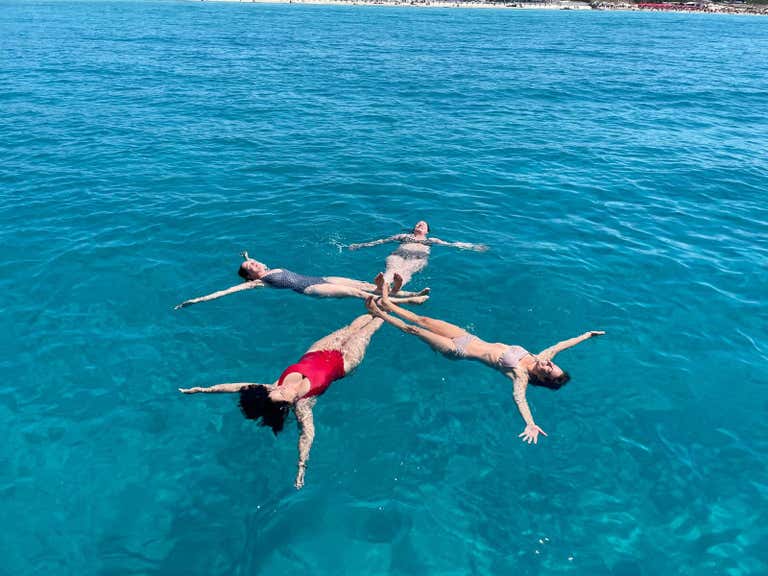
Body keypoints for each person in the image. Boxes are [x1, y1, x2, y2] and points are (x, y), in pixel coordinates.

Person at [364, 278, 605, 445]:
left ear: (542, 378)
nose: (549, 364)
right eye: (552, 365)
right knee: (423, 320)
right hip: (467, 337)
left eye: (549, 369)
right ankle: (387, 301)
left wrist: (530, 423)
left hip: (458, 350)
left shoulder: (521, 375)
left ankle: (380, 312)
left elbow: (519, 399)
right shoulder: (541, 358)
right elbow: (562, 344)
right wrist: (586, 336)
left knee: (414, 330)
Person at [179, 314, 384, 489]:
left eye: (279, 389)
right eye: (283, 393)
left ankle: (381, 298)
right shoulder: (303, 405)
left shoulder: (273, 387)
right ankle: (388, 308)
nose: (283, 388)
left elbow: (237, 386)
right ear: (287, 405)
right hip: (343, 364)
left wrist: (203, 389)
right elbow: (307, 436)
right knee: (369, 330)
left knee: (351, 328)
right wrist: (301, 467)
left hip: (318, 351)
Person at [174, 252, 429, 309]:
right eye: (250, 267)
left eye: (253, 262)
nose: (254, 263)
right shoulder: (257, 282)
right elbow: (226, 291)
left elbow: (253, 260)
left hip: (319, 277)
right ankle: (406, 302)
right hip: (311, 288)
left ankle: (409, 294)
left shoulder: (263, 266)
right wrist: (197, 300)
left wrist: (246, 257)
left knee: (365, 285)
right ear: (250, 276)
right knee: (359, 294)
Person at [347, 220, 487, 288]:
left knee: (405, 272)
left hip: (418, 257)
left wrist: (474, 247)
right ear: (414, 228)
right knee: (391, 269)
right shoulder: (404, 236)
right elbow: (382, 241)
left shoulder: (432, 240)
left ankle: (394, 287)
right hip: (399, 254)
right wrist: (360, 245)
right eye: (418, 224)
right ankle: (384, 285)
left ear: (427, 231)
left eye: (423, 225)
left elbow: (453, 244)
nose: (420, 225)